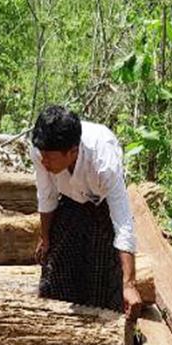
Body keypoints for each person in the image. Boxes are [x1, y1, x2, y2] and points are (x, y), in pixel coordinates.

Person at [30, 106, 142, 318]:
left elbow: (123, 220)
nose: (44, 162)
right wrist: (45, 238)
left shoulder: (104, 162)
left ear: (72, 152)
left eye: (50, 157)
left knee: (102, 281)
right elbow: (47, 195)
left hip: (102, 205)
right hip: (69, 202)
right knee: (56, 274)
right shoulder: (41, 150)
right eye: (42, 155)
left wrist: (129, 284)